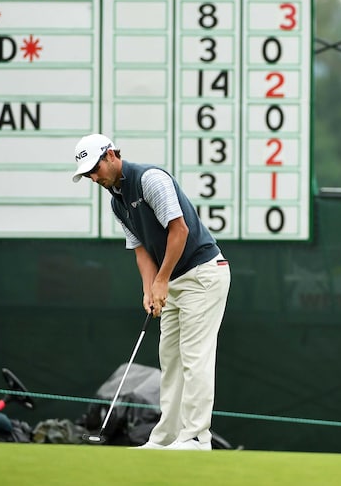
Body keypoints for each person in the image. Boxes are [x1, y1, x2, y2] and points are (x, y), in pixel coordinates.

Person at [72, 133, 230, 451]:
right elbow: (141, 248)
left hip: (203, 275)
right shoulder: (117, 202)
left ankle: (197, 437)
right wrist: (149, 288)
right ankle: (167, 437)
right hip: (172, 280)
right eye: (87, 173)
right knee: (169, 358)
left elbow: (179, 229)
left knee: (194, 357)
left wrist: (162, 280)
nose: (93, 176)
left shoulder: (150, 180)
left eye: (95, 168)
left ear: (112, 155)